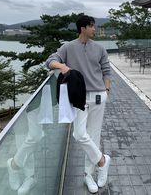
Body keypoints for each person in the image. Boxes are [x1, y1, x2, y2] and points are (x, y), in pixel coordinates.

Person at [45, 15, 111, 193]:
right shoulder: (68, 47)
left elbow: (107, 71)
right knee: (79, 134)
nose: (94, 30)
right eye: (92, 26)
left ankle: (88, 175)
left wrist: (107, 91)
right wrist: (62, 66)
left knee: (94, 136)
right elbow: (49, 61)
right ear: (83, 28)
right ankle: (103, 160)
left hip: (98, 95)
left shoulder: (99, 48)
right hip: (79, 97)